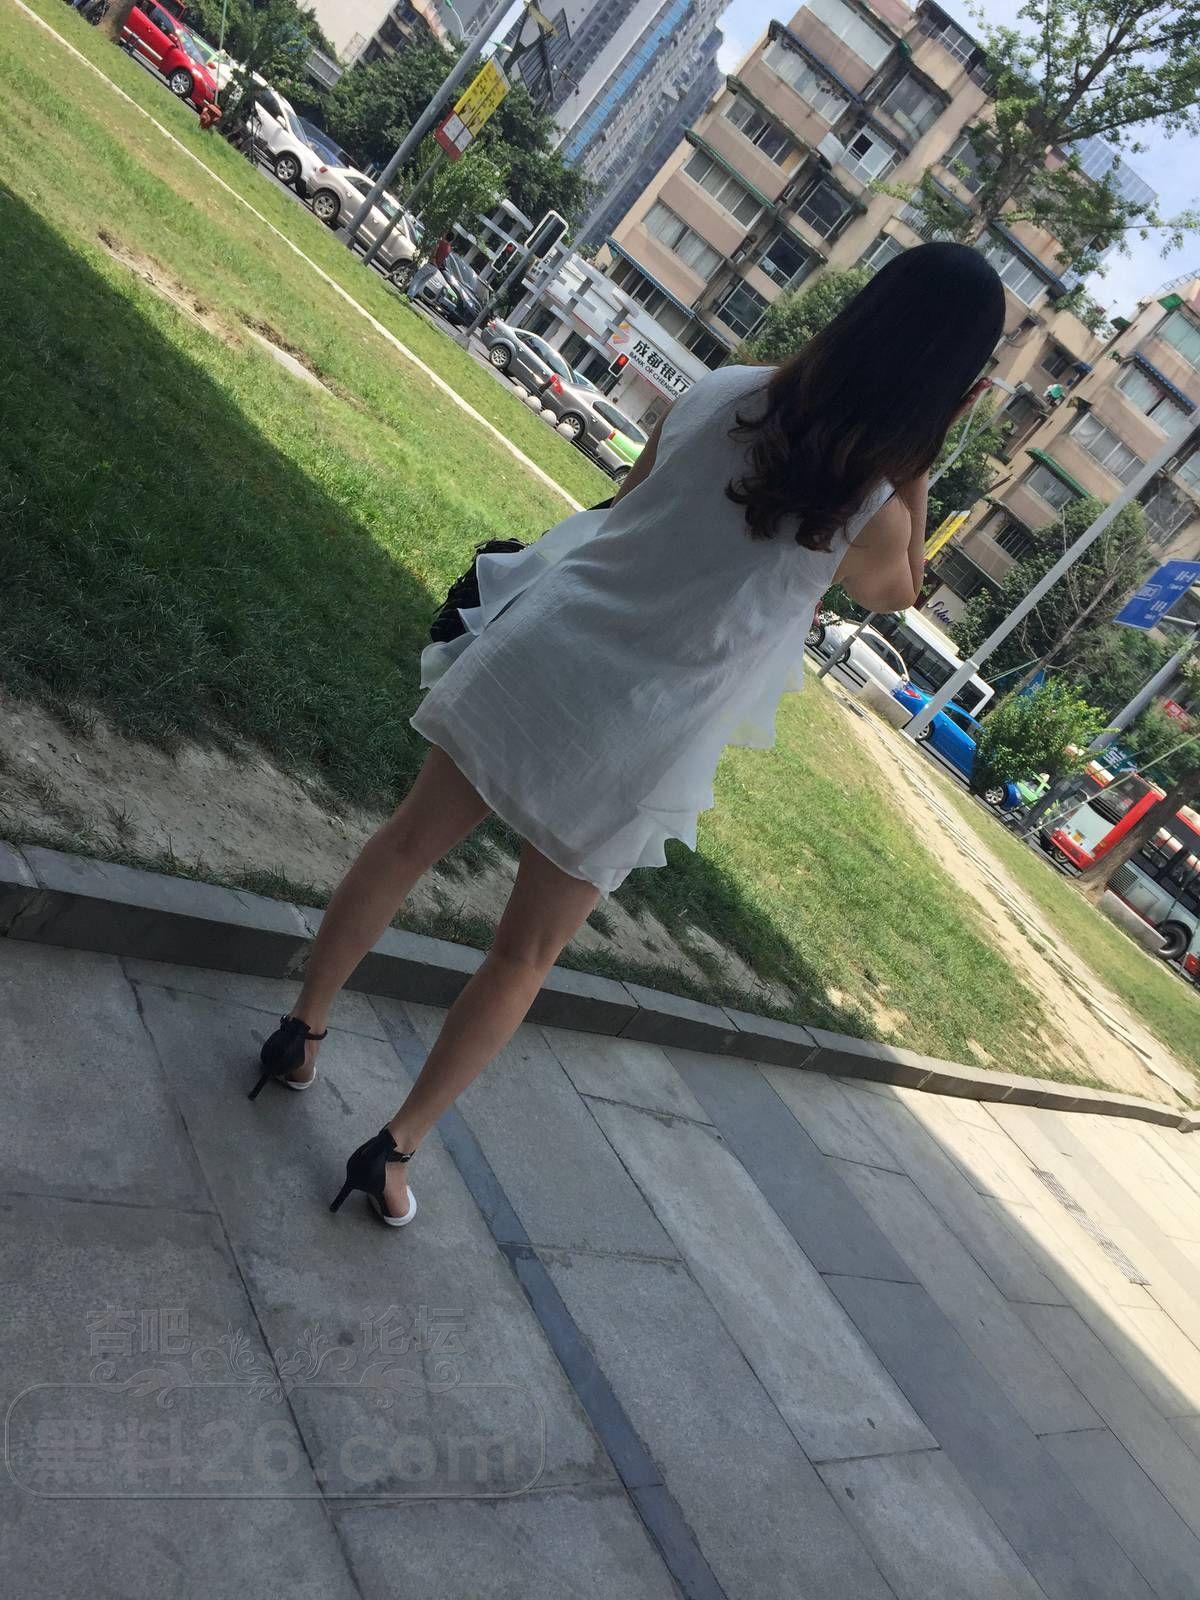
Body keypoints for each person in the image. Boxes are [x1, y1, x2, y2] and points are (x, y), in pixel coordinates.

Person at [250, 241, 1006, 1230]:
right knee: (522, 954)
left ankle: (300, 1032)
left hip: (543, 646)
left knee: (404, 845)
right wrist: (920, 453)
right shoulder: (872, 511)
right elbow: (898, 591)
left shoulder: (724, 391)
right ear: (955, 389)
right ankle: (392, 1150)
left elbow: (630, 500)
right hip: (635, 730)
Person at [408, 233, 453, 303]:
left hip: (431, 264)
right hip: (436, 268)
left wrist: (433, 257)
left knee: (417, 277)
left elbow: (434, 251)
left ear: (446, 235)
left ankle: (410, 294)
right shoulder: (449, 248)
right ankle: (412, 295)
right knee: (422, 281)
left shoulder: (440, 242)